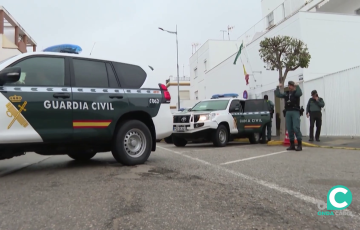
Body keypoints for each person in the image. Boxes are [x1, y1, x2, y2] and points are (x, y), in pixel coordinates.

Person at [275, 81, 303, 151]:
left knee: (296, 128)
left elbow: (300, 93)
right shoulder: (286, 94)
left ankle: (299, 144)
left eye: (291, 85)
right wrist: (277, 87)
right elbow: (278, 94)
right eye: (289, 85)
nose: (289, 87)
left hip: (295, 111)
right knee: (289, 129)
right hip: (288, 111)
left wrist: (297, 86)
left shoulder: (296, 93)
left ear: (293, 86)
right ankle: (292, 144)